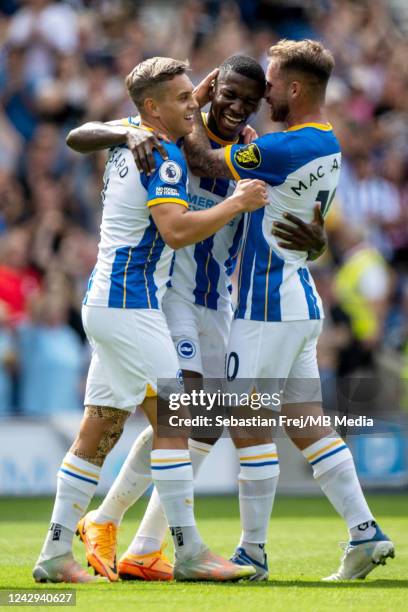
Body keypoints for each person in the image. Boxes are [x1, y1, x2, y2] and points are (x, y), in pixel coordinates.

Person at [66, 54, 326, 582]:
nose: (236, 107)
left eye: (249, 101)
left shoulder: (249, 150)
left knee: (203, 427)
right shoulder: (170, 131)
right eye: (226, 94)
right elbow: (89, 132)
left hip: (218, 305)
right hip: (169, 298)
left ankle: (138, 542)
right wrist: (125, 129)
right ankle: (132, 531)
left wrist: (315, 241)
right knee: (179, 415)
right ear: (211, 87)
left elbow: (286, 215)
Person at [33, 56, 268, 584]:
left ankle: (53, 556)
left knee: (101, 428)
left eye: (195, 95)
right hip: (131, 303)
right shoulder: (159, 152)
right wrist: (237, 204)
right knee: (178, 416)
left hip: (106, 300)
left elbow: (119, 129)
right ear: (152, 108)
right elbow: (177, 231)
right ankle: (186, 550)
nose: (196, 104)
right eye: (184, 98)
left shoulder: (134, 140)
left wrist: (190, 100)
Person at [178, 38, 395, 582]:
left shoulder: (283, 149)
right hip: (299, 299)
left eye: (271, 83)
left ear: (294, 89)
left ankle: (252, 551)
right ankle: (365, 531)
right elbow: (303, 222)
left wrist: (190, 105)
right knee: (308, 424)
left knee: (247, 425)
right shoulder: (328, 143)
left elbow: (201, 157)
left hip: (265, 304)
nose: (263, 91)